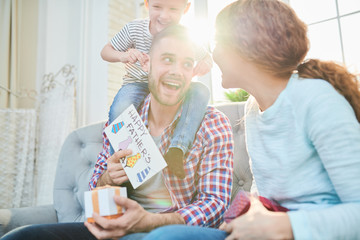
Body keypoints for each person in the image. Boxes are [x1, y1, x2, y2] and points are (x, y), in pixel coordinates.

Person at [142, 0, 360, 239]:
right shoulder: (253, 108)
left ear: (247, 47)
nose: (212, 54)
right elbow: (264, 189)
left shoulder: (317, 99)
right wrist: (251, 211)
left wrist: (285, 226)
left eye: (218, 43)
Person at [1, 25, 233, 240]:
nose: (177, 71)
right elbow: (96, 186)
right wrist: (108, 178)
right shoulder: (123, 119)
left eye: (186, 64)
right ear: (146, 64)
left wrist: (149, 222)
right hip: (115, 228)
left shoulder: (212, 123)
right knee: (22, 236)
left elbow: (214, 203)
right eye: (167, 60)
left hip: (169, 232)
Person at [102, 0, 213, 178]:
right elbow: (106, 51)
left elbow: (207, 58)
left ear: (186, 9)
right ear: (146, 4)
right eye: (157, 7)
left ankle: (177, 149)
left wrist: (204, 65)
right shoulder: (134, 29)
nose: (164, 15)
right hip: (137, 83)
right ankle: (128, 165)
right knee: (120, 107)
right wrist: (123, 55)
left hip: (172, 85)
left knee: (201, 91)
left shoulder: (187, 37)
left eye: (173, 9)